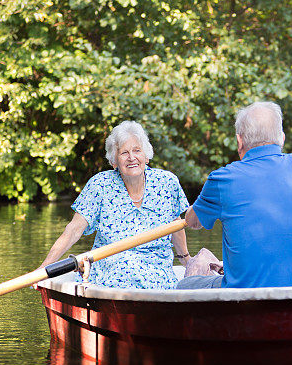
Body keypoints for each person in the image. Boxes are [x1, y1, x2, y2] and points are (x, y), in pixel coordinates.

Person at [178, 101, 292, 289]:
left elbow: (193, 222)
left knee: (185, 284)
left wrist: (196, 209)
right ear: (281, 138)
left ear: (239, 140)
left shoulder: (223, 179)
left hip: (246, 296)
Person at [40, 121, 191, 289]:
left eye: (137, 150)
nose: (132, 157)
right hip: (113, 269)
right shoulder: (100, 185)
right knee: (129, 268)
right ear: (114, 162)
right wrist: (43, 269)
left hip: (157, 270)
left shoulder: (166, 182)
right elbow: (74, 229)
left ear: (146, 156)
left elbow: (176, 225)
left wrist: (186, 260)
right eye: (124, 153)